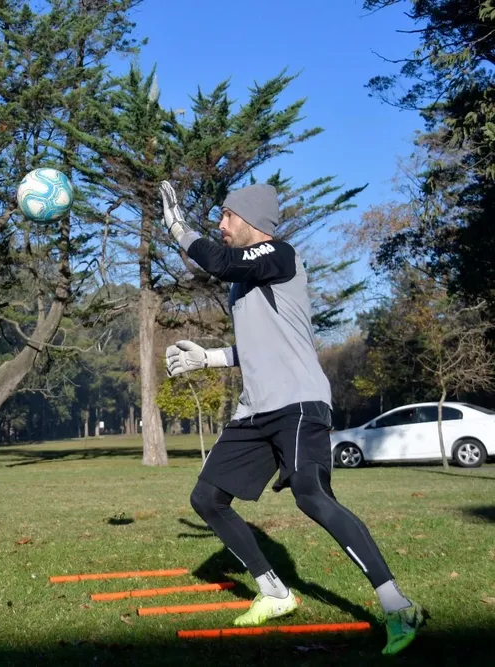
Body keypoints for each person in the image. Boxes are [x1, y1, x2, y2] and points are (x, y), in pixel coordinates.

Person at [158, 181, 425, 656]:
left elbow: (217, 262)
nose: (220, 226)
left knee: (311, 494)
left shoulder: (280, 255)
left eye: (227, 217)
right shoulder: (247, 279)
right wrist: (208, 358)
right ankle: (275, 592)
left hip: (298, 403)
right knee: (208, 498)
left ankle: (397, 605)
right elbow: (259, 345)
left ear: (253, 221)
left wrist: (179, 229)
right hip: (256, 408)